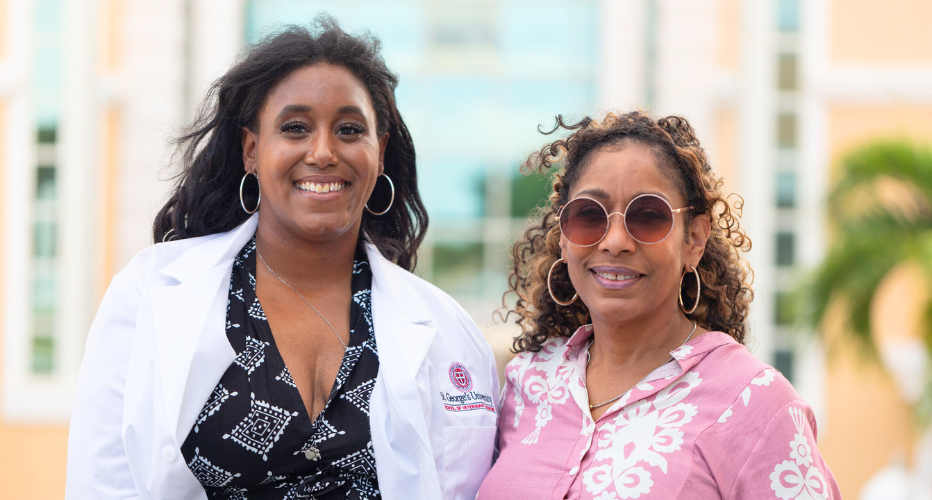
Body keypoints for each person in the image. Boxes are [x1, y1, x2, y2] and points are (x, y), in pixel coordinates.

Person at [66, 18, 498, 500]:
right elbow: (101, 484)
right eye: (295, 128)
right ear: (252, 150)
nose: (323, 152)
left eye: (349, 130)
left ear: (379, 152)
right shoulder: (147, 294)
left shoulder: (449, 333)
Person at [478, 112, 840, 499]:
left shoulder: (755, 402)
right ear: (564, 238)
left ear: (694, 240)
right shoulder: (528, 381)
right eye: (589, 215)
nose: (615, 241)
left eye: (648, 216)